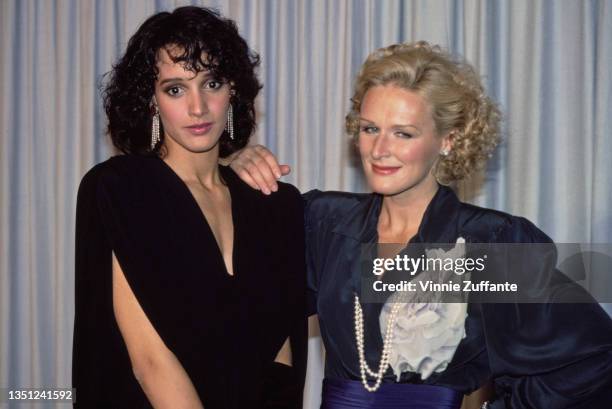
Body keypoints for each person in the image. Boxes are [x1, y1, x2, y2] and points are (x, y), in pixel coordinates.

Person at [229, 41, 612, 408]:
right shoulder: (324, 222)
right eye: (370, 128)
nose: (380, 150)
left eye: (403, 133)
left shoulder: (486, 244)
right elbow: (228, 290)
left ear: (448, 139)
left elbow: (592, 359)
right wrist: (232, 168)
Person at [72, 6, 306, 408]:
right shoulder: (120, 190)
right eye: (175, 89)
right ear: (151, 100)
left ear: (233, 89)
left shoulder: (276, 204)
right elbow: (149, 361)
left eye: (211, 83)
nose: (198, 108)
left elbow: (282, 355)